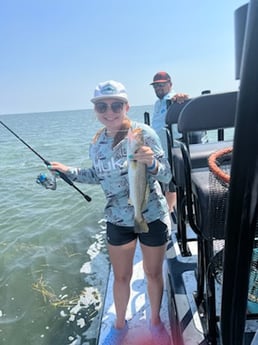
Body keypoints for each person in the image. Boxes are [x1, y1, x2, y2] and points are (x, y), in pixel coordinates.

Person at [49, 80, 172, 345]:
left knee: (152, 274)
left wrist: (152, 163)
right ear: (95, 109)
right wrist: (67, 170)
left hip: (150, 215)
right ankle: (119, 324)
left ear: (126, 107)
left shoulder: (144, 133)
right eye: (102, 106)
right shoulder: (96, 142)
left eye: (116, 105)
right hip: (117, 219)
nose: (110, 111)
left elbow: (169, 174)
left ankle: (155, 321)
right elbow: (96, 175)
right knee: (121, 277)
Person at [150, 71, 188, 221]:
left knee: (170, 182)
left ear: (170, 85)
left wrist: (183, 97)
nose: (158, 88)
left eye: (161, 84)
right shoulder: (157, 103)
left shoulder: (173, 99)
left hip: (171, 149)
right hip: (159, 150)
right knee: (163, 181)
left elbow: (185, 100)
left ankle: (168, 212)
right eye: (155, 86)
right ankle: (167, 208)